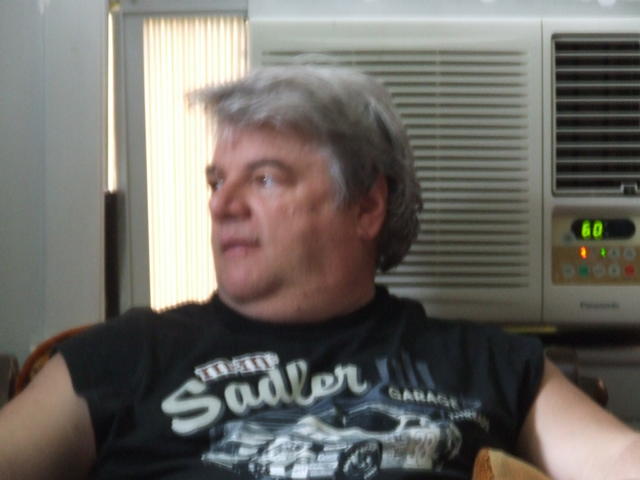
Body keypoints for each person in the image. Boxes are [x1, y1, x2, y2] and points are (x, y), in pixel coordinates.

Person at [0, 66, 639, 480]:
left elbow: (619, 460)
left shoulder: (489, 362)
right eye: (217, 182)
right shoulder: (123, 354)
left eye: (265, 179)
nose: (222, 205)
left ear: (366, 206)